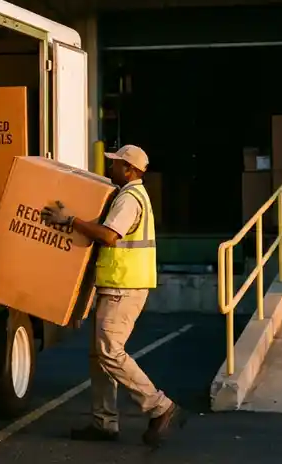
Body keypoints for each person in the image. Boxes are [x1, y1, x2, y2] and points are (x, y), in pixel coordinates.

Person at [41, 144, 183, 447]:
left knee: (109, 352)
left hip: (124, 287)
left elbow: (109, 235)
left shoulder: (129, 198)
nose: (111, 168)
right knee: (99, 355)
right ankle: (104, 422)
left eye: (117, 164)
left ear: (130, 170)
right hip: (118, 286)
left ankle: (160, 406)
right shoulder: (130, 195)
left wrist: (70, 220)